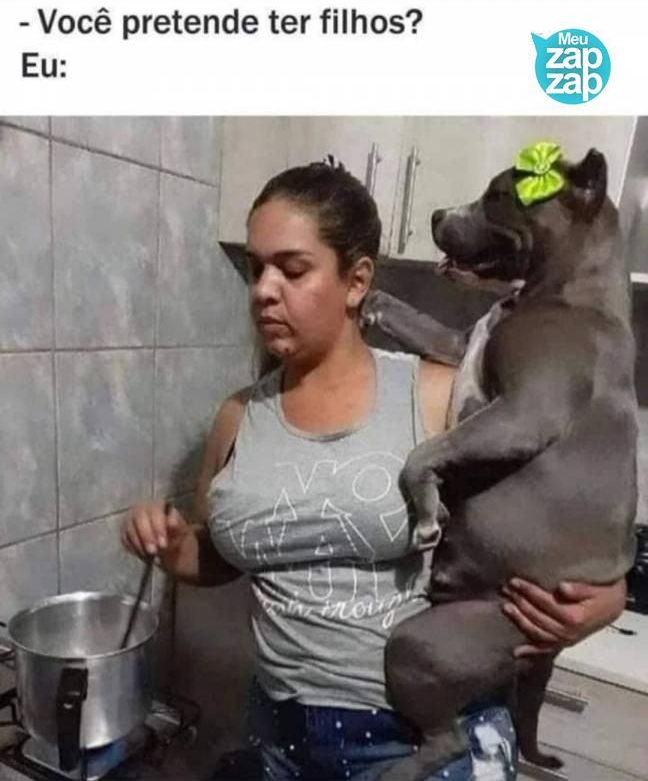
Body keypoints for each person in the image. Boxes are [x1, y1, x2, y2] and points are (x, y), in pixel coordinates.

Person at [122, 162, 626, 780]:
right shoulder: (237, 418)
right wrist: (170, 543)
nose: (263, 290)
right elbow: (219, 557)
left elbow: (568, 488)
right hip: (282, 739)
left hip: (421, 738)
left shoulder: (438, 396)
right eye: (257, 269)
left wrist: (605, 598)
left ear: (357, 281)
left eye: (292, 269)